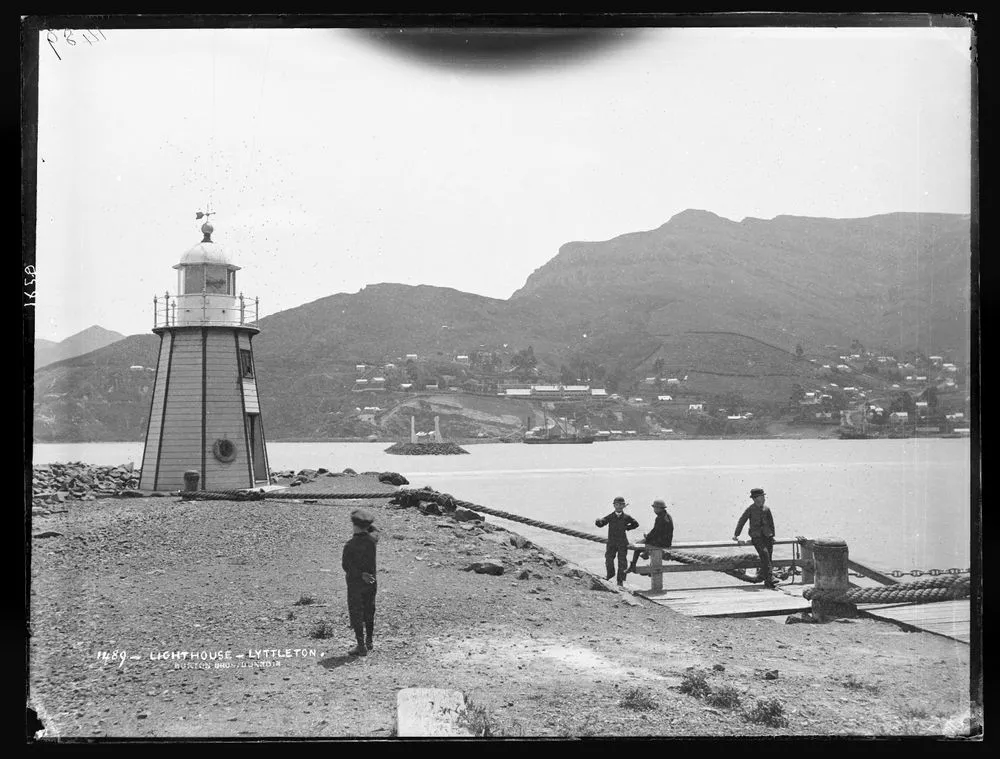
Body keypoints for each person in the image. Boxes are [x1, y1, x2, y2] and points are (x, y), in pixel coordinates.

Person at [342, 508, 380, 656]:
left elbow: (346, 566)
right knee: (369, 610)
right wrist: (367, 524)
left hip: (355, 584)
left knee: (356, 612)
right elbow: (376, 530)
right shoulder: (372, 540)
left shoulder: (350, 545)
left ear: (354, 525)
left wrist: (360, 574)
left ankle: (360, 645)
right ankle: (370, 641)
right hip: (371, 582)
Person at [733, 487, 777, 589]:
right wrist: (736, 534)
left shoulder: (767, 509)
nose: (764, 499)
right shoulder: (750, 509)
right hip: (757, 537)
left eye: (764, 497)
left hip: (768, 536)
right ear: (755, 498)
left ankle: (768, 582)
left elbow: (771, 523)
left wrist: (772, 535)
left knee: (768, 558)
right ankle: (771, 578)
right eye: (762, 497)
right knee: (765, 555)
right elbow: (741, 521)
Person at [595, 497, 639, 585]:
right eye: (617, 504)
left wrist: (627, 528)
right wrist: (598, 522)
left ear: (623, 506)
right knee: (609, 559)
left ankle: (620, 580)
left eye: (621, 504)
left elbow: (636, 524)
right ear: (614, 505)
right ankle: (610, 575)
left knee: (622, 562)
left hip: (622, 542)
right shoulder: (610, 516)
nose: (619, 506)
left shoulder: (627, 517)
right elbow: (602, 523)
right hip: (611, 542)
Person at [627, 499, 674, 574]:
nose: (654, 510)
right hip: (667, 542)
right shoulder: (668, 516)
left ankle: (633, 565)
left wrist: (647, 536)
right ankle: (647, 557)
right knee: (646, 543)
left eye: (655, 508)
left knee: (638, 545)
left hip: (661, 542)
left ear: (659, 508)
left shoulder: (660, 518)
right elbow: (658, 531)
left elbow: (655, 532)